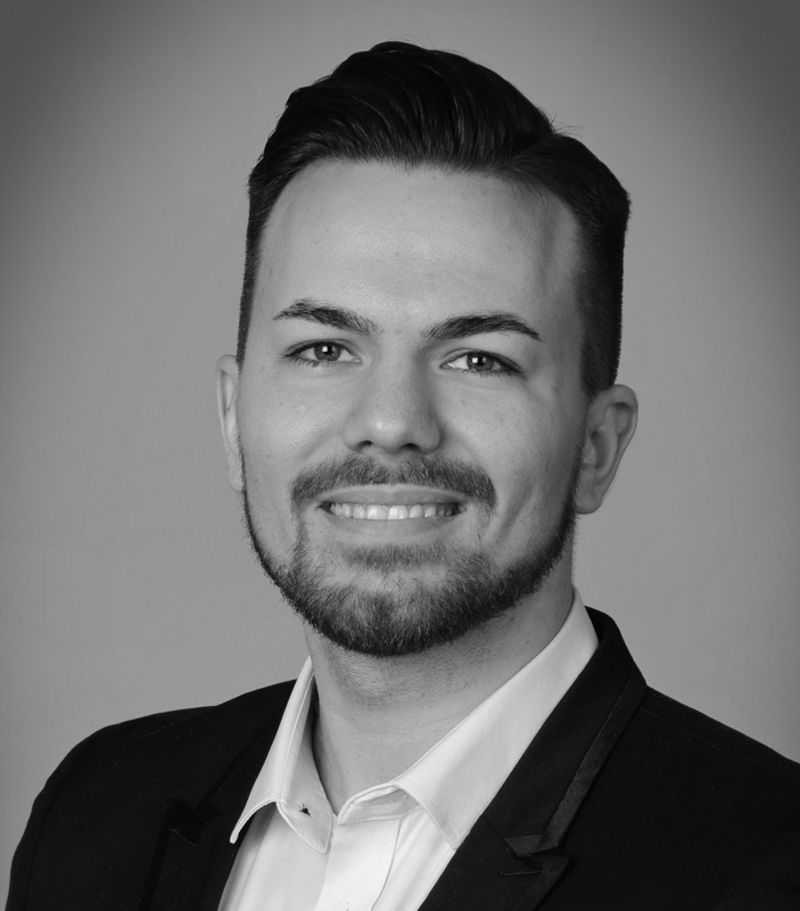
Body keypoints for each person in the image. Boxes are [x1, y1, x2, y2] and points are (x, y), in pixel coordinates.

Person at [7, 41, 800, 911]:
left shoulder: (768, 866)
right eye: (323, 349)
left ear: (596, 445)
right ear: (234, 418)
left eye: (479, 359)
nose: (390, 422)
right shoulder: (96, 817)